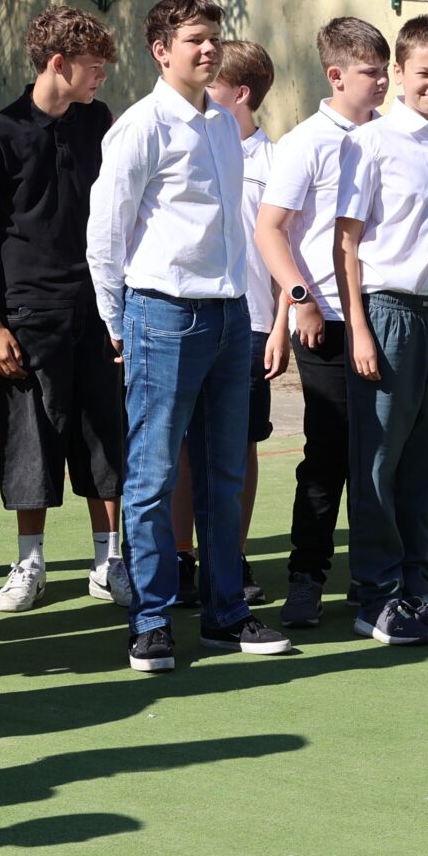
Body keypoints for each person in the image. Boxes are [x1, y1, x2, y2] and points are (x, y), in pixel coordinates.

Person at [88, 0, 289, 673]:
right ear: (161, 50)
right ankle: (150, 620)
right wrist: (116, 319)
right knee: (152, 473)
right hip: (163, 314)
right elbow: (106, 233)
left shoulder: (222, 125)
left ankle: (225, 612)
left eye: (214, 38)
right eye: (195, 39)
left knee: (224, 474)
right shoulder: (140, 127)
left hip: (229, 316)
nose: (209, 49)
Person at [0, 7, 127, 616]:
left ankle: (108, 562)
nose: (101, 77)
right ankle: (29, 562)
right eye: (93, 67)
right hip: (27, 314)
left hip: (96, 309)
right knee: (29, 439)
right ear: (58, 63)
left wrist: (119, 305)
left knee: (105, 435)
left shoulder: (99, 120)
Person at [334, 15, 428, 644]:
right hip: (389, 313)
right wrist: (359, 329)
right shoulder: (369, 143)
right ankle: (376, 595)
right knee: (378, 461)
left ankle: (417, 587)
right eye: (424, 72)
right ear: (398, 73)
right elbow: (346, 243)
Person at [254, 17, 389, 629]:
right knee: (328, 453)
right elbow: (271, 231)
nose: (381, 82)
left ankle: (373, 577)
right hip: (328, 322)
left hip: (384, 316)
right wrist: (299, 300)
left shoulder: (391, 136)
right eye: (369, 72)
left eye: (384, 71)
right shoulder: (305, 143)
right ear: (335, 75)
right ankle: (306, 578)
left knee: (380, 456)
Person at [175, 40, 276, 607]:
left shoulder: (274, 162)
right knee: (183, 446)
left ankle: (230, 555)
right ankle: (180, 556)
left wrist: (282, 323)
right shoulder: (191, 143)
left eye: (213, 83)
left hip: (252, 323)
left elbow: (287, 251)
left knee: (239, 446)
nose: (203, 89)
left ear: (239, 94)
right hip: (191, 317)